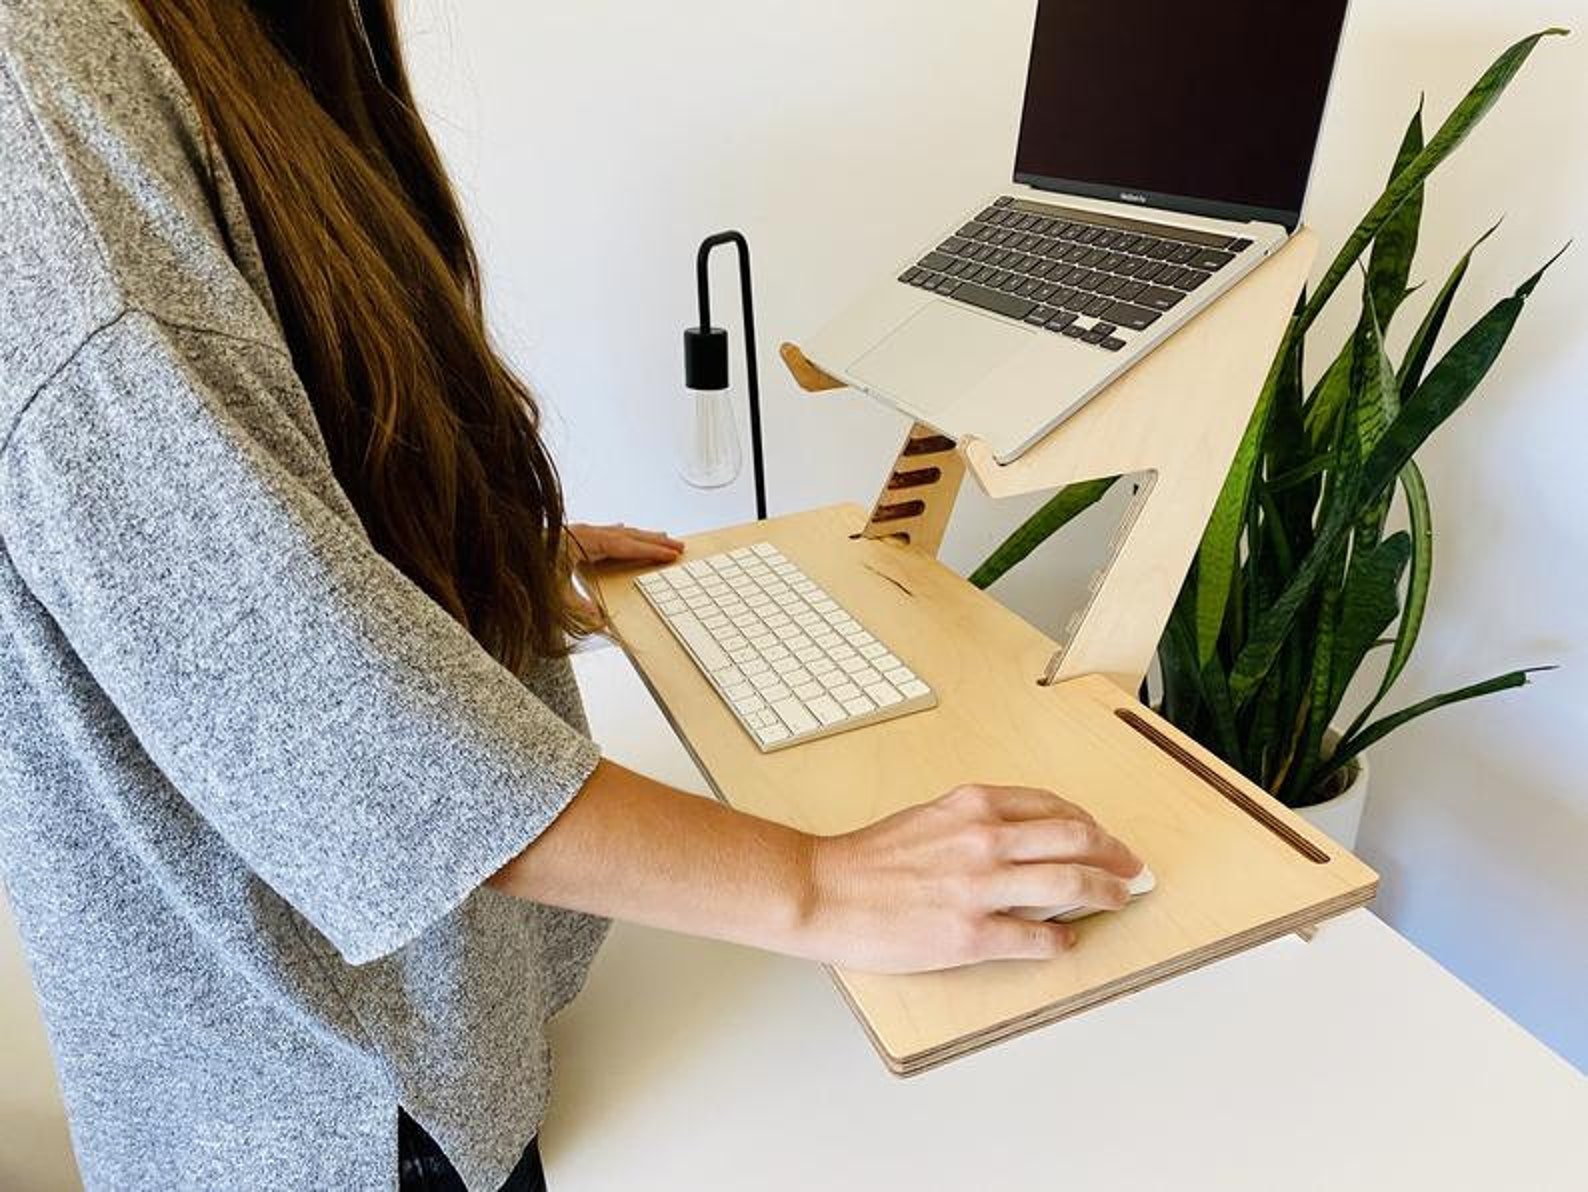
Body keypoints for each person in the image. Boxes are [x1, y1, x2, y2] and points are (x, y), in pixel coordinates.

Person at [0, 1, 1143, 1188]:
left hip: (434, 1053)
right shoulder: (43, 93)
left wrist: (465, 555)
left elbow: (209, 532)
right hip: (338, 1120)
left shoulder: (262, 37)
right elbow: (312, 718)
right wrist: (816, 883)